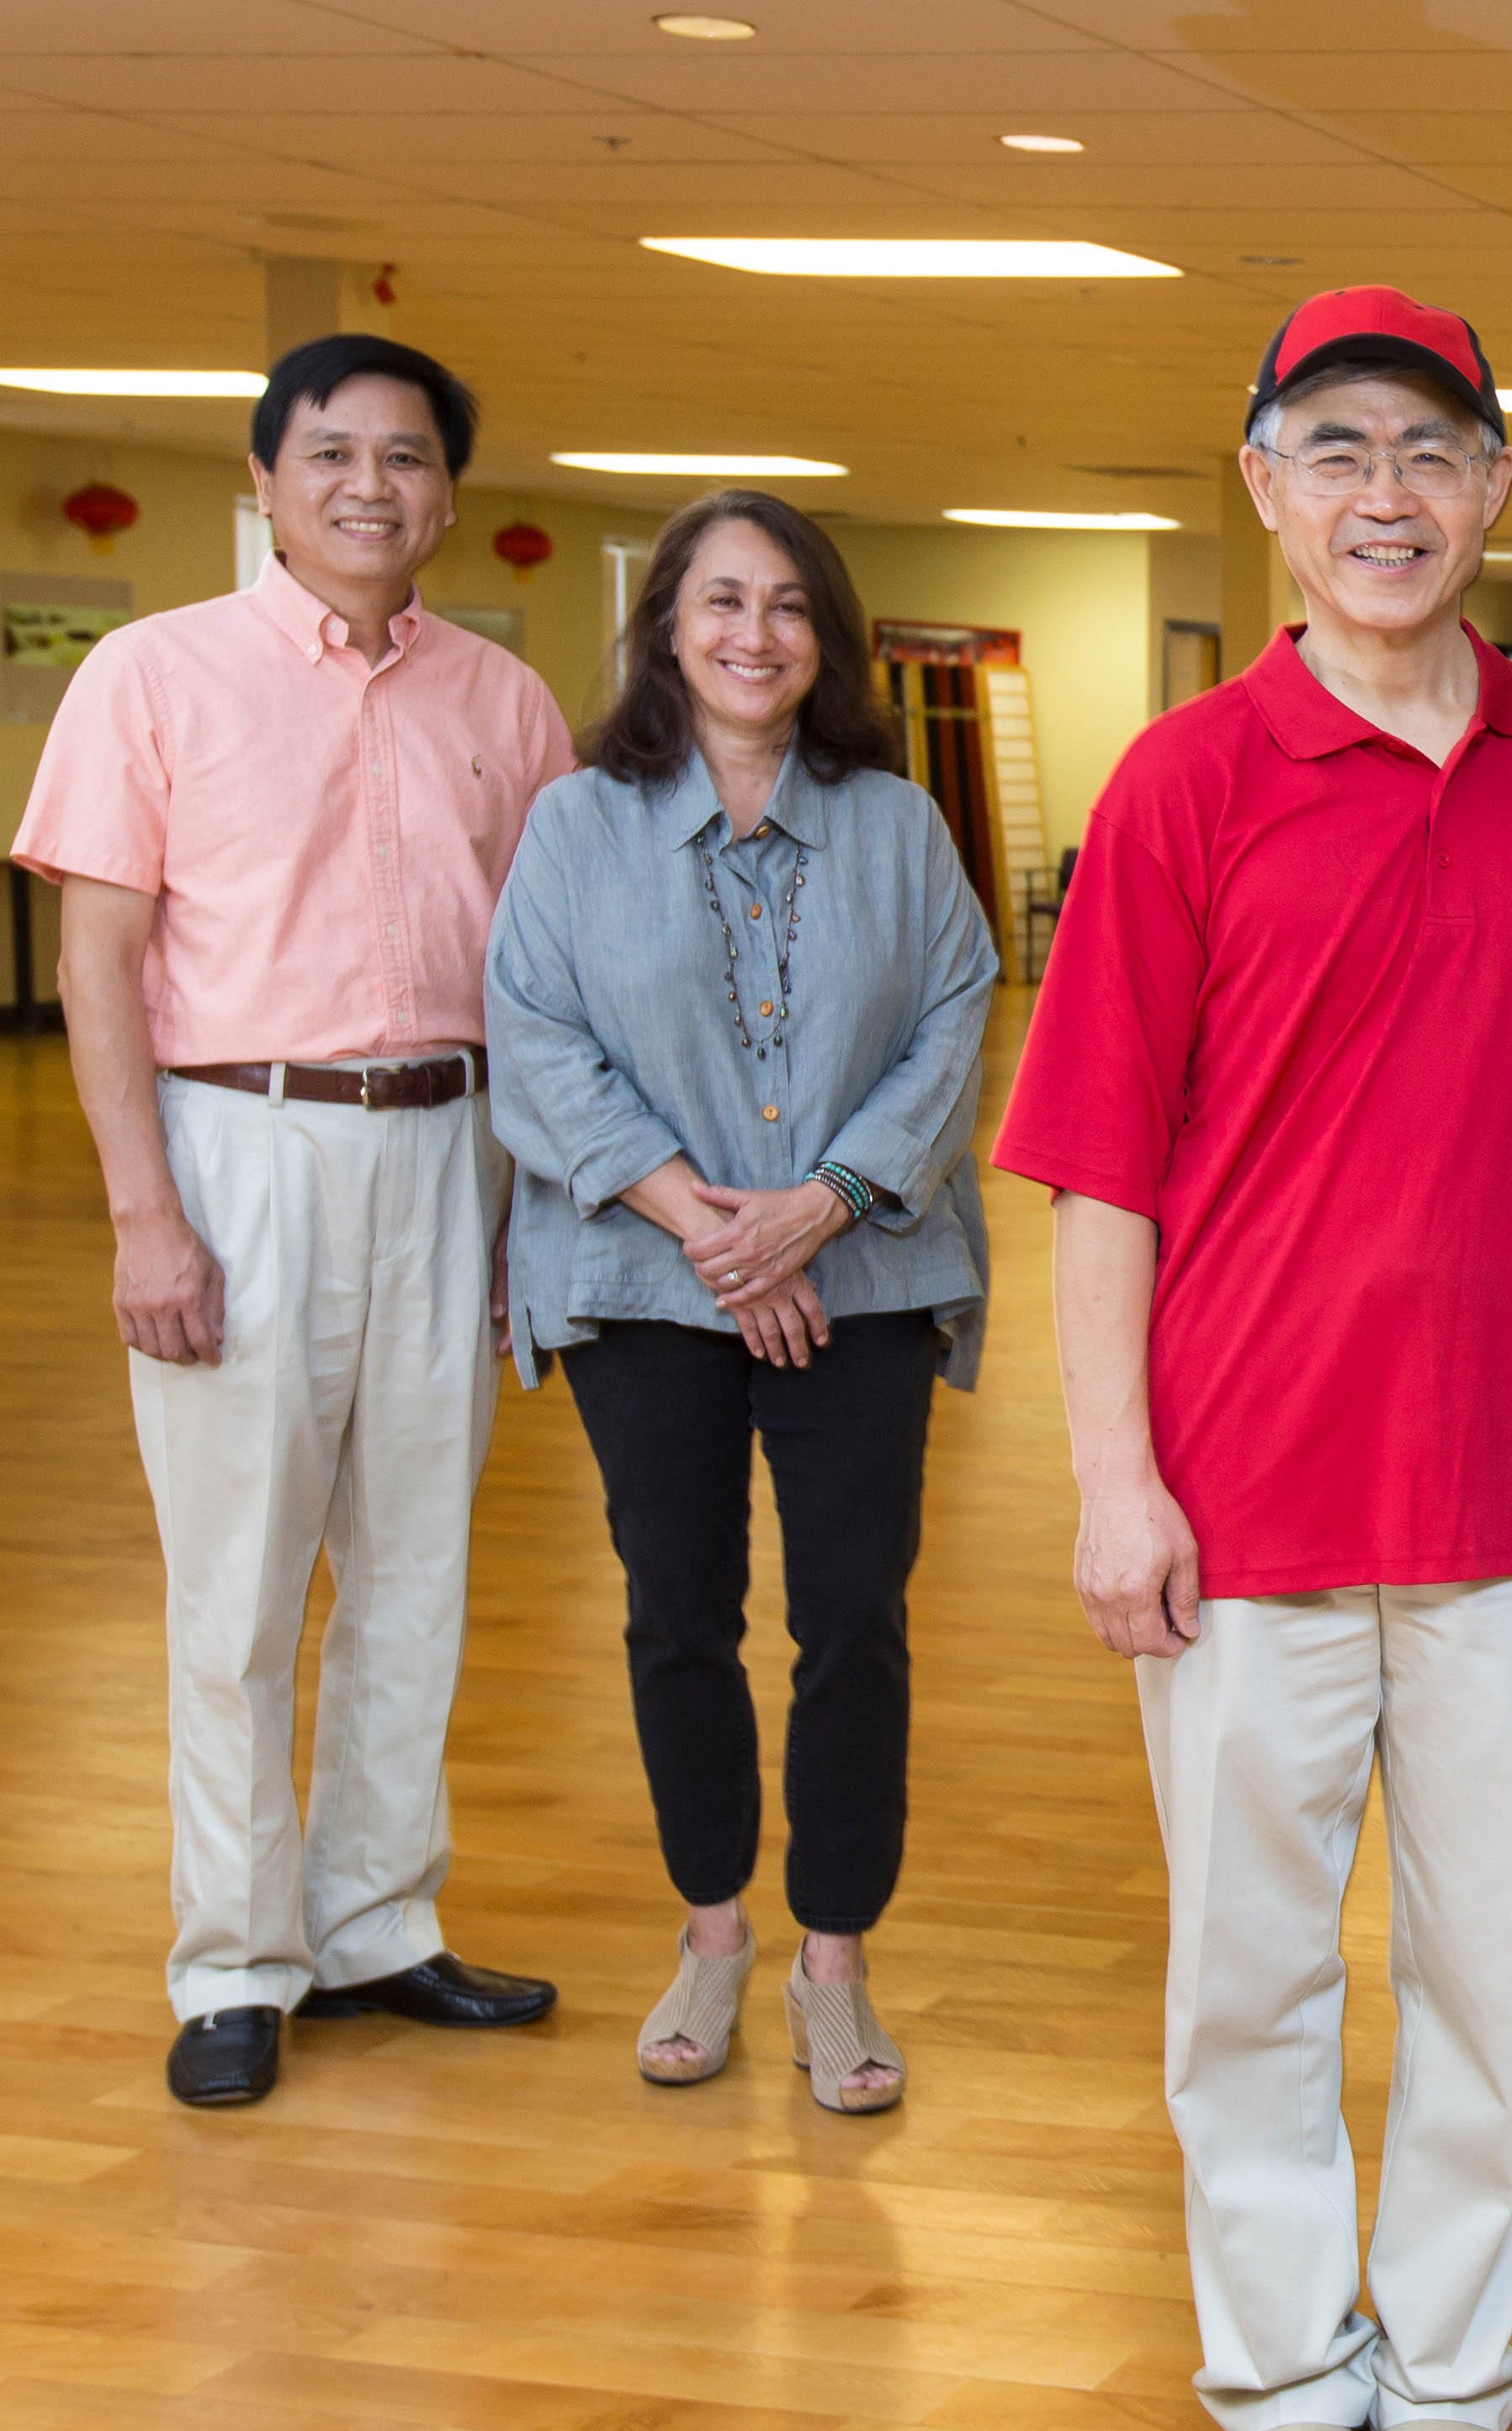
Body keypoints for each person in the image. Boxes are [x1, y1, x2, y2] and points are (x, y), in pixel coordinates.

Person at [991, 286, 1512, 2431]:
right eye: (1338, 449)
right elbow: (1094, 1168)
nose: (1389, 495)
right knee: (1244, 1971)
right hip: (1238, 1496)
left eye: (1432, 452)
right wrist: (1108, 1476)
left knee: (1484, 1968)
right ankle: (1278, 2377)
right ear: (1264, 487)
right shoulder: (1181, 782)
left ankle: (1448, 2376)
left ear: (1493, 492)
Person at [14, 335, 571, 2109]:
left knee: (416, 1563)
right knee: (239, 1581)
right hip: (236, 1139)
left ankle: (379, 1924)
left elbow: (548, 977)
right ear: (264, 479)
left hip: (452, 1142)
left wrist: (527, 1218)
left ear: (448, 495)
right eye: (329, 454)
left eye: (405, 458)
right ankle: (235, 1955)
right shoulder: (152, 674)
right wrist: (142, 1216)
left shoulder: (504, 700)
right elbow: (95, 954)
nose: (368, 487)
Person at [485, 491, 996, 2115]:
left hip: (865, 1273)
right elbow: (537, 1029)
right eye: (720, 602)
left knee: (854, 1618)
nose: (753, 634)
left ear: (824, 639)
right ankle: (711, 1929)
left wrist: (818, 1209)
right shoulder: (576, 826)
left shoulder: (899, 827)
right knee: (675, 1615)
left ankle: (832, 1959)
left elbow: (954, 1014)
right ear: (666, 628)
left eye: (787, 606)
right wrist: (700, 1220)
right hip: (647, 1280)